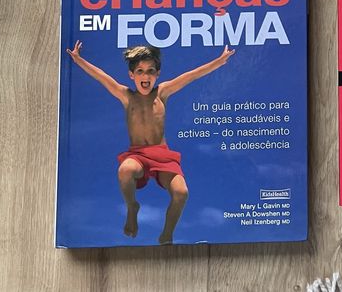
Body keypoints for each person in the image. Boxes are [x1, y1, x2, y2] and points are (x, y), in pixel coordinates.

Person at [65, 41, 235, 245]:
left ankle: (166, 234)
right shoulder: (126, 96)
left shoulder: (162, 93)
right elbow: (101, 77)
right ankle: (132, 207)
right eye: (140, 71)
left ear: (157, 74)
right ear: (131, 75)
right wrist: (78, 60)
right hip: (138, 155)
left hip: (162, 155)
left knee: (181, 193)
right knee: (125, 170)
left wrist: (219, 61)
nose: (145, 76)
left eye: (150, 71)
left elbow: (192, 75)